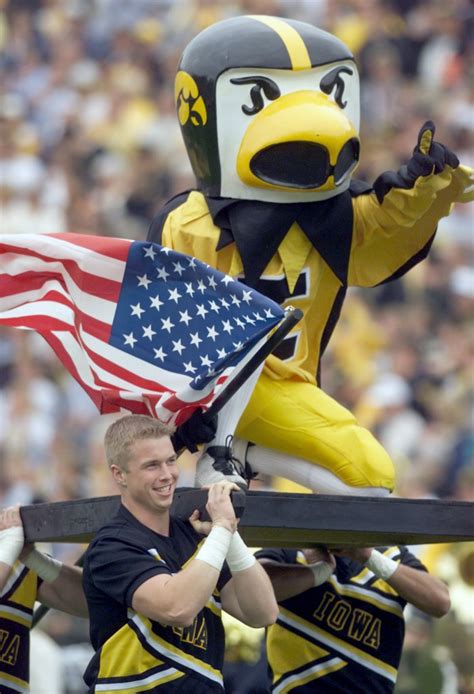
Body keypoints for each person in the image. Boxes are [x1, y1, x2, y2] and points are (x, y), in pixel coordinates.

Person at [147, 14, 473, 494]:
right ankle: (228, 447)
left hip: (294, 387)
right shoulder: (190, 222)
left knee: (371, 483)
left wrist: (422, 187)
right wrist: (187, 407)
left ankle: (239, 454)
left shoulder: (341, 214)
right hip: (220, 393)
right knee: (369, 479)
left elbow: (390, 234)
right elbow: (162, 329)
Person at [82, 414, 278, 693]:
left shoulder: (195, 535)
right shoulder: (111, 545)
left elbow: (263, 612)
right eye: (151, 465)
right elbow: (177, 608)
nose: (167, 474)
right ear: (118, 474)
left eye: (171, 460)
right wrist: (221, 528)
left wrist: (230, 537)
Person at [256, 543, 450, 692]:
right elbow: (253, 590)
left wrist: (368, 557)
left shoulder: (392, 554)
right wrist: (319, 572)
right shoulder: (292, 545)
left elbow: (440, 602)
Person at [0, 504, 88, 693]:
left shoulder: (14, 560)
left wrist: (32, 558)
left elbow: (92, 604)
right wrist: (8, 547)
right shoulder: (7, 551)